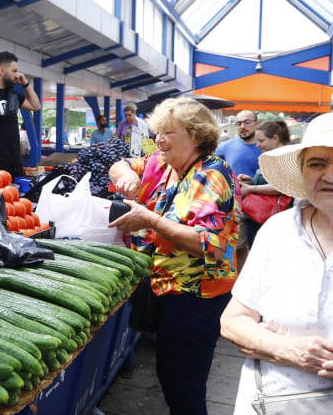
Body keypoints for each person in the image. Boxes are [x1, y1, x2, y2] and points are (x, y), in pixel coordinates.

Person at [108, 97, 239, 415]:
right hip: (166, 287)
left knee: (184, 384)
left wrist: (149, 219)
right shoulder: (162, 164)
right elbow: (119, 163)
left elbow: (208, 244)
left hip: (196, 295)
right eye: (157, 132)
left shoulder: (211, 175)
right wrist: (124, 174)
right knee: (170, 374)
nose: (159, 140)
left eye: (168, 132)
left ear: (196, 136)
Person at [220, 113, 333, 414]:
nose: (330, 176)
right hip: (267, 403)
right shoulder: (279, 230)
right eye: (317, 164)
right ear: (302, 171)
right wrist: (288, 351)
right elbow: (233, 321)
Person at [216, 110, 262, 266]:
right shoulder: (225, 147)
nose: (242, 126)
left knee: (259, 248)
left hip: (262, 209)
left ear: (257, 123)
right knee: (238, 247)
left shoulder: (265, 146)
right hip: (235, 207)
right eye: (239, 123)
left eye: (247, 122)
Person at [238, 120, 292, 247]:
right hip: (261, 216)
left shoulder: (284, 157)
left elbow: (282, 186)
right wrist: (250, 180)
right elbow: (270, 181)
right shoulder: (271, 156)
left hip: (269, 217)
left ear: (275, 138)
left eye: (261, 141)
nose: (257, 145)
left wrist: (252, 189)